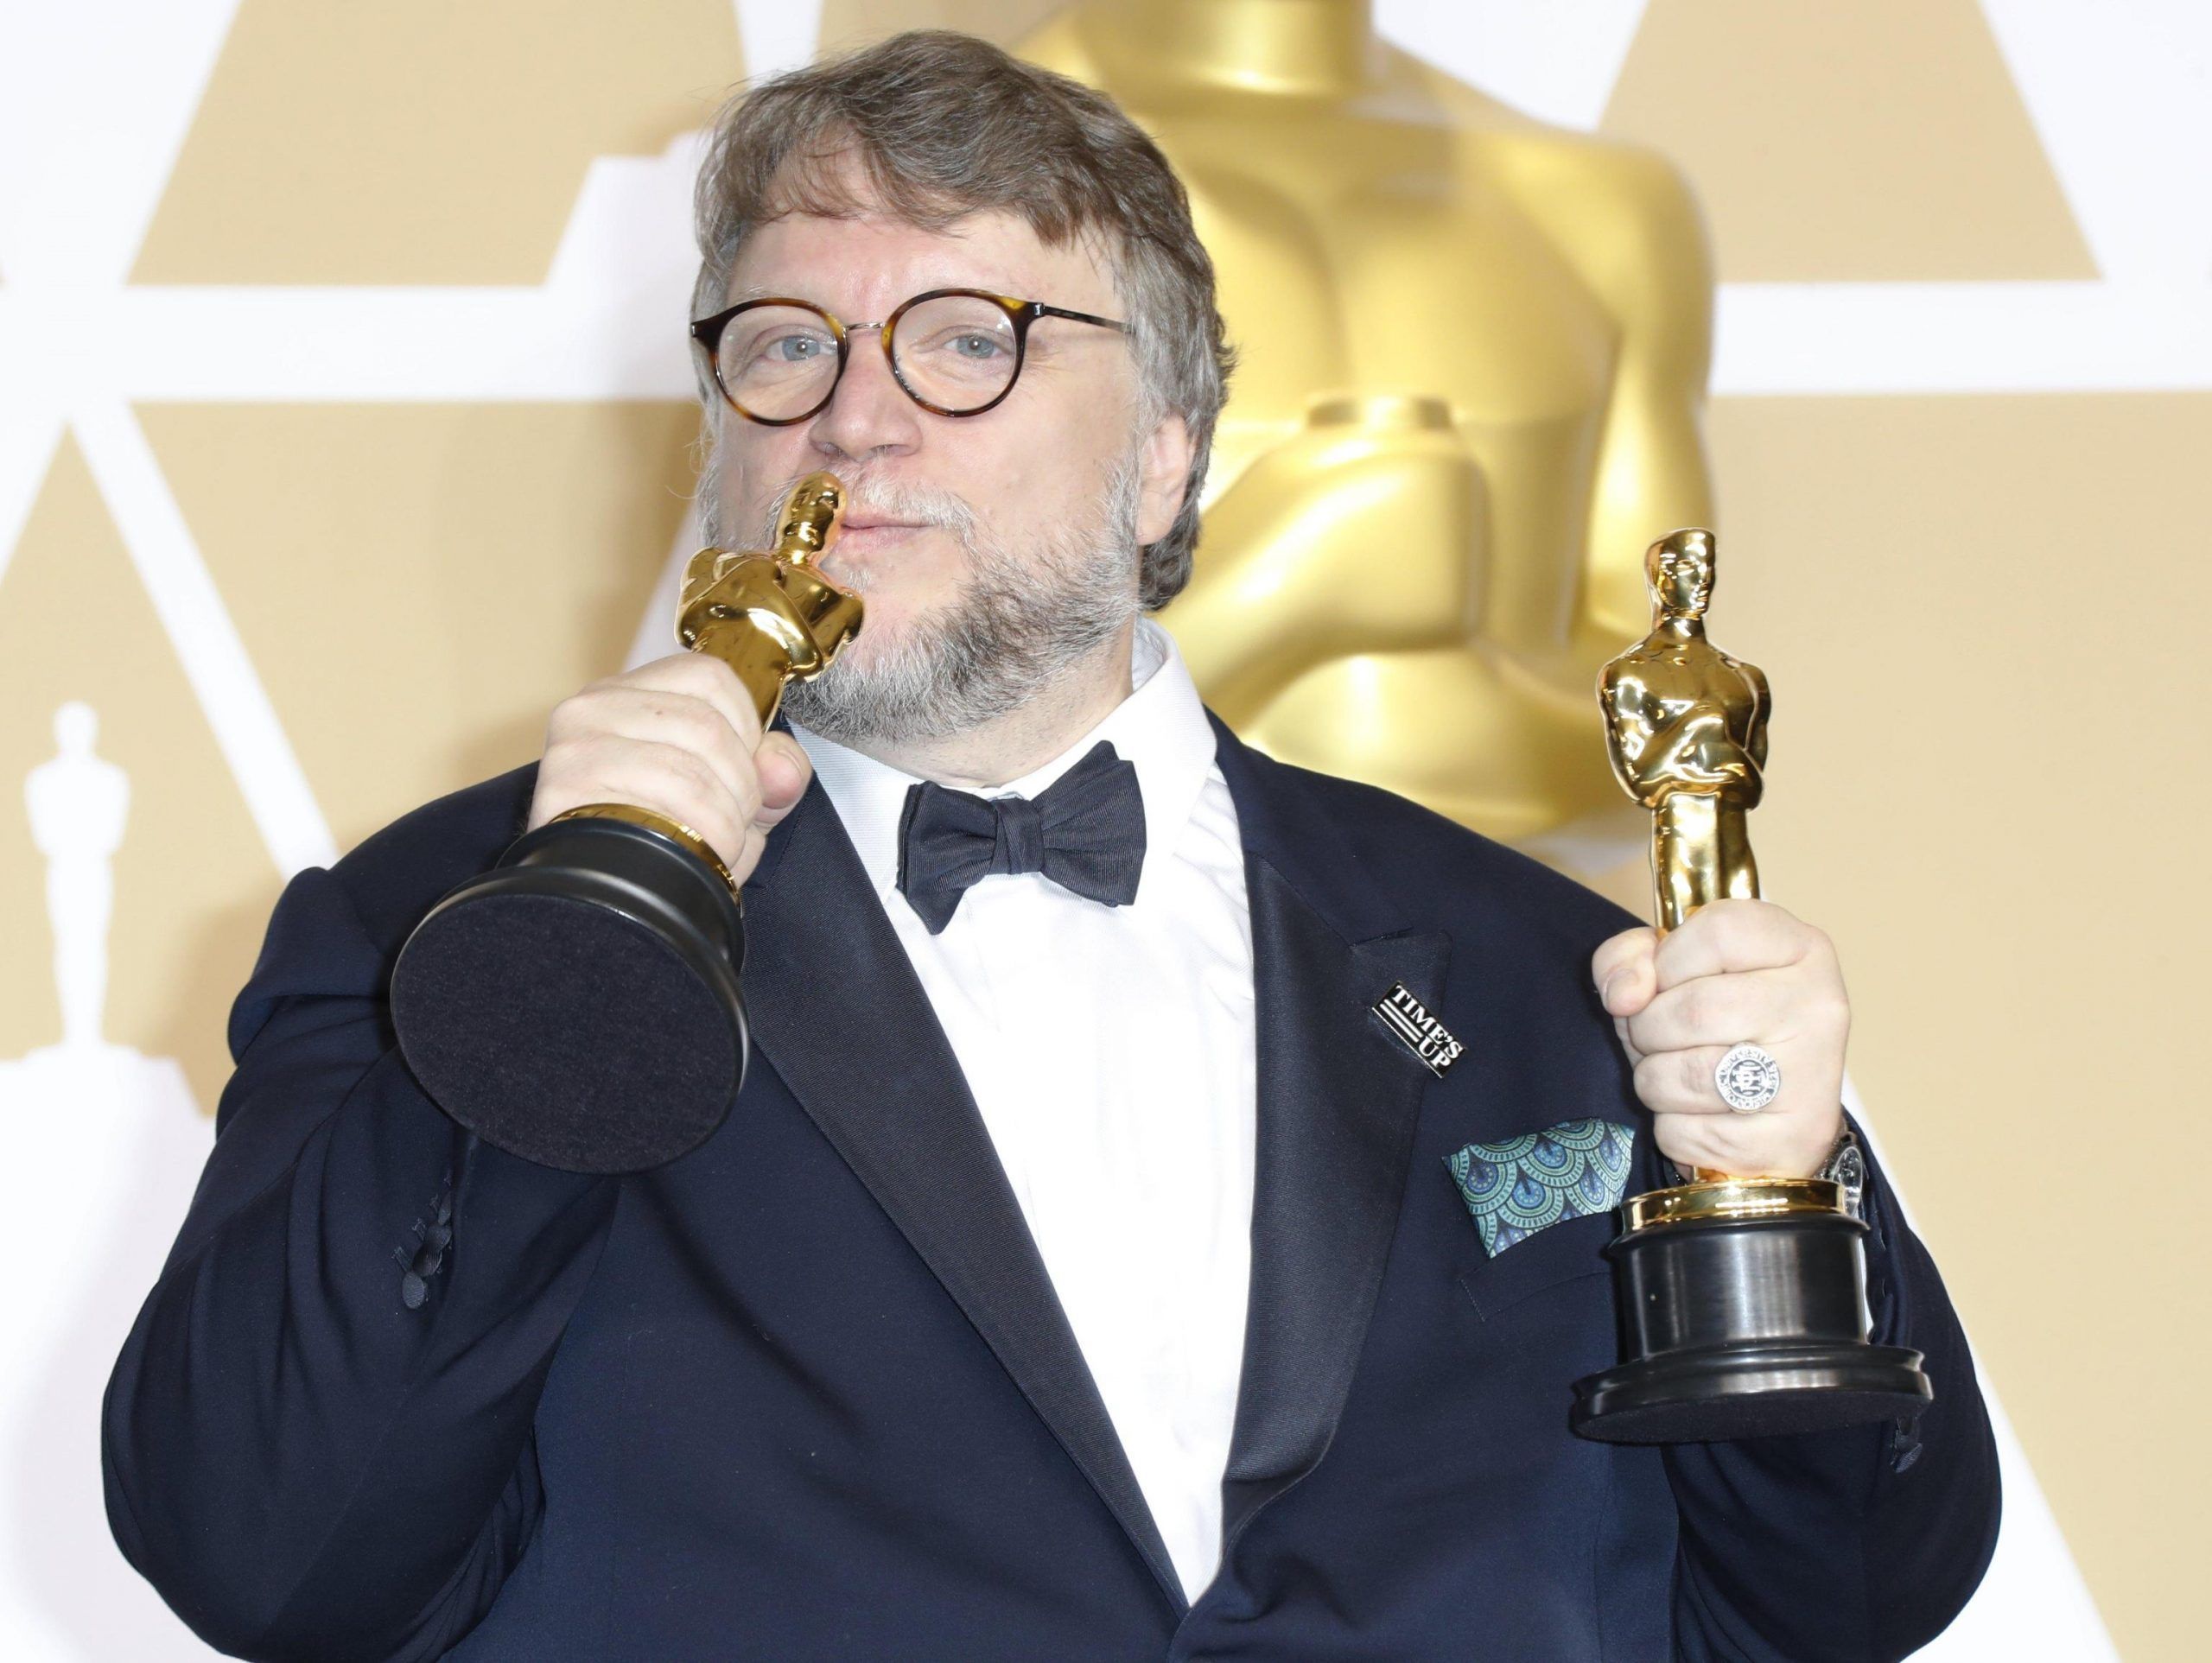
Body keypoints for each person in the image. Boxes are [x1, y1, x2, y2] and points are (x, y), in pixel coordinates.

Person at [104, 31, 1998, 1662]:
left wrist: (1786, 1182)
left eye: (966, 341)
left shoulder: (1540, 972)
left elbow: (1832, 1605)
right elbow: (277, 1560)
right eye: (784, 347)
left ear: (1165, 448)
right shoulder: (437, 927)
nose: (853, 418)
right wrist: (564, 975)